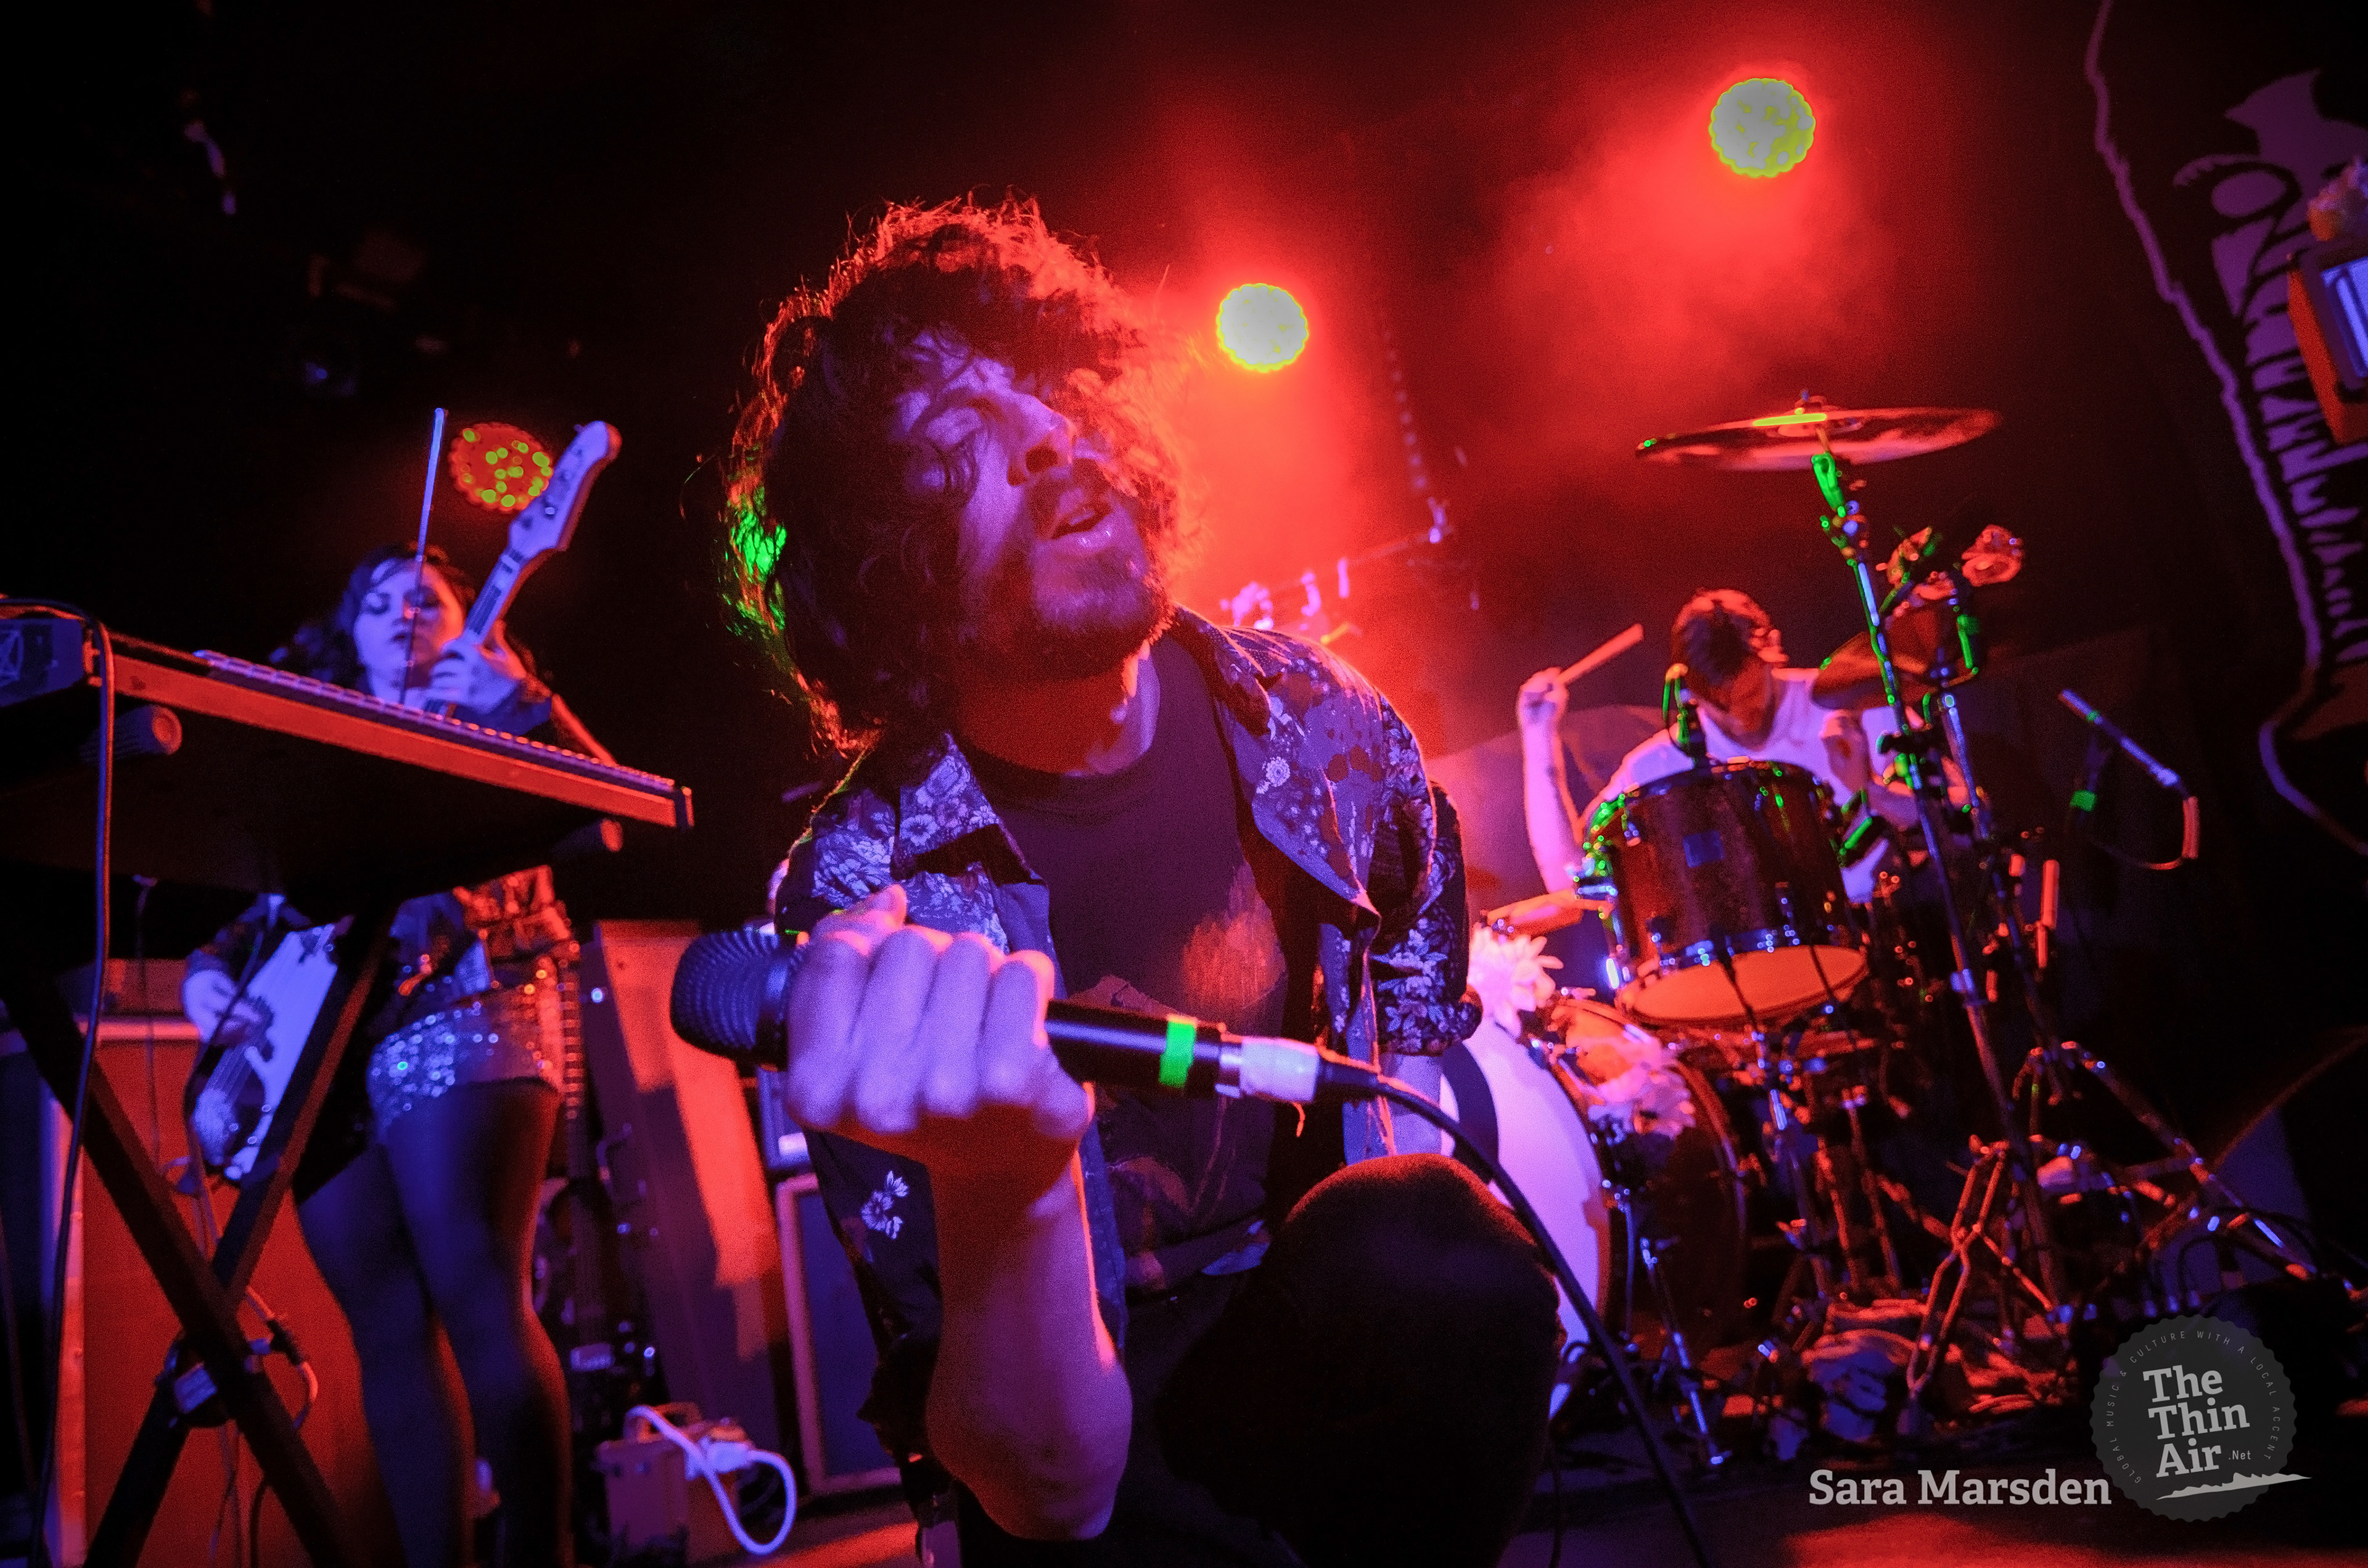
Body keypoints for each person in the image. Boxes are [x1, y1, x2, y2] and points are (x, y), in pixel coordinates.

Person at [725, 199, 1562, 1567]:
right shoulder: (865, 888)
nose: (1049, 437)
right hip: (1073, 1391)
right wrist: (1009, 1174)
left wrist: (1400, 1215)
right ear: (884, 562)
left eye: (1059, 389)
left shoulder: (1324, 721)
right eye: (954, 443)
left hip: (1313, 1322)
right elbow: (1037, 1473)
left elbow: (1419, 963)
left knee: (1440, 1248)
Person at [182, 543, 591, 1568]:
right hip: (332, 1049)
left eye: (426, 597)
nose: (402, 610)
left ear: (470, 619)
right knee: (386, 1326)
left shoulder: (495, 708)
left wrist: (520, 695)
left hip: (470, 997)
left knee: (478, 1284)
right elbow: (271, 909)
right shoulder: (321, 750)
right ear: (348, 640)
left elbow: (604, 814)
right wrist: (207, 973)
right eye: (376, 601)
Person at [1517, 588, 1922, 901]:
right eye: (1720, 708)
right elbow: (1568, 879)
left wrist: (1872, 792)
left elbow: (1953, 809)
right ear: (1688, 693)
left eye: (1750, 696)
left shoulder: (1853, 704)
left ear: (1774, 651)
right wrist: (1538, 742)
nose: (1740, 718)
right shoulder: (1662, 765)